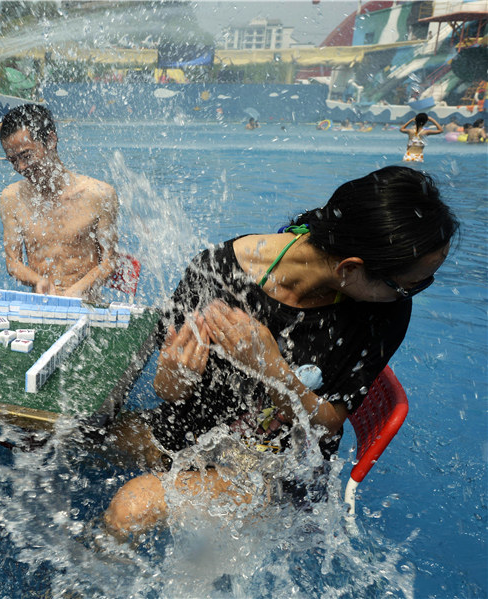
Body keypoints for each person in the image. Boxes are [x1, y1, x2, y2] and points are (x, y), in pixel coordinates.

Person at [103, 166, 458, 539]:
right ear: (350, 268)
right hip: (198, 432)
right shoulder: (217, 272)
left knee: (132, 507)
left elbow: (328, 422)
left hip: (274, 467)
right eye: (409, 285)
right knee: (88, 434)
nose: (412, 294)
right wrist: (174, 376)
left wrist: (270, 368)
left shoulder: (383, 314)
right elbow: (169, 391)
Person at [0, 103, 119, 302]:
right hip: (42, 305)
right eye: (13, 161)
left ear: (51, 140)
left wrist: (77, 291)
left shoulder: (99, 195)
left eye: (26, 156)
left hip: (87, 304)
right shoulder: (11, 198)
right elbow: (13, 262)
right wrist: (38, 281)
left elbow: (109, 261)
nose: (21, 167)